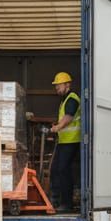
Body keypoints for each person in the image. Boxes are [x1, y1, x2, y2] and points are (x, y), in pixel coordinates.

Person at [48, 72, 81, 213]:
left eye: (58, 85)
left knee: (63, 170)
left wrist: (57, 128)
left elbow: (68, 117)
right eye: (55, 86)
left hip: (72, 140)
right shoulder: (64, 100)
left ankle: (67, 204)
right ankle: (55, 200)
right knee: (55, 169)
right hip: (64, 141)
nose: (56, 88)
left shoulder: (72, 98)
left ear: (67, 84)